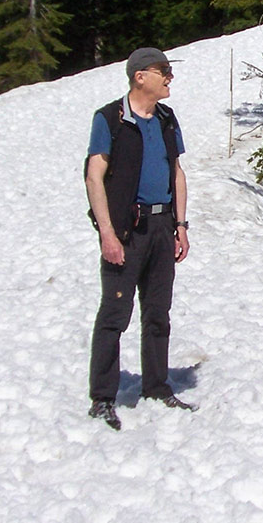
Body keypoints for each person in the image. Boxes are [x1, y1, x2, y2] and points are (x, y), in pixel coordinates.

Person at [84, 47, 194, 429]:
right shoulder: (110, 119)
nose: (169, 78)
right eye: (162, 71)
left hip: (163, 228)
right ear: (139, 76)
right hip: (126, 233)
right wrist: (107, 234)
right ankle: (102, 397)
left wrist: (181, 226)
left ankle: (157, 386)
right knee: (115, 315)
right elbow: (94, 177)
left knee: (158, 313)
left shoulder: (166, 119)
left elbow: (176, 172)